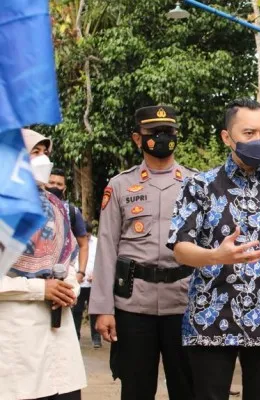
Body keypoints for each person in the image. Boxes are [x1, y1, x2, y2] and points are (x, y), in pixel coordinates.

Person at [168, 98, 260, 400]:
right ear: (227, 137)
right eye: (249, 133)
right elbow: (179, 248)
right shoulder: (199, 186)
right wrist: (215, 256)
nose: (259, 140)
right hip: (211, 316)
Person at [89, 105, 196, 400]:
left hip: (185, 302)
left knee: (188, 387)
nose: (162, 138)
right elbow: (107, 247)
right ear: (138, 139)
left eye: (168, 132)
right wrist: (102, 308)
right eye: (154, 133)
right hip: (134, 305)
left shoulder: (197, 184)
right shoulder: (120, 185)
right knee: (135, 388)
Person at [0, 129, 86, 400]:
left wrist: (68, 286)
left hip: (60, 336)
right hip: (16, 338)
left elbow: (70, 258)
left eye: (45, 152)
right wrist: (40, 289)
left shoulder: (57, 207)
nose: (43, 159)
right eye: (34, 152)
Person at [46, 168, 90, 285]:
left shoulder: (72, 212)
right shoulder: (33, 207)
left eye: (59, 184)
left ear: (64, 189)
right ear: (45, 184)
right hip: (36, 276)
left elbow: (84, 244)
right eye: (51, 182)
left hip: (63, 275)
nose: (55, 186)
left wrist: (80, 273)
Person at [71, 233, 101, 348]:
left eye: (88, 236)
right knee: (77, 311)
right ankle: (76, 337)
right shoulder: (74, 241)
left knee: (94, 311)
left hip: (93, 284)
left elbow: (101, 260)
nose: (86, 238)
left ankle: (96, 338)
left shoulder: (97, 242)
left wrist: (96, 274)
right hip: (78, 283)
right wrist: (76, 274)